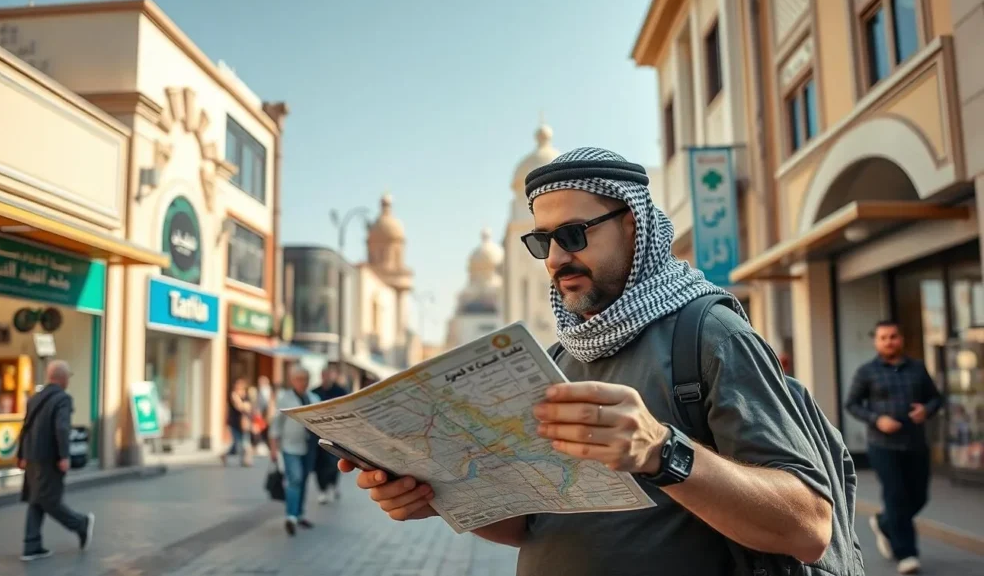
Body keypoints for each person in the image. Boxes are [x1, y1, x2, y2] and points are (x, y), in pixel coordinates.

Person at [340, 147, 834, 576]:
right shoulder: (558, 358)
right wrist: (436, 493)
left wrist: (662, 453)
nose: (555, 259)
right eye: (542, 242)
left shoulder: (708, 333)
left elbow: (808, 527)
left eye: (573, 235)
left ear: (633, 226)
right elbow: (535, 524)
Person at [845, 321, 942, 575]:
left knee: (919, 496)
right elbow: (852, 404)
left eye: (893, 336)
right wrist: (877, 419)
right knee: (896, 496)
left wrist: (926, 410)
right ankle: (907, 554)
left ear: (901, 339)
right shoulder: (867, 372)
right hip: (883, 446)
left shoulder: (918, 369)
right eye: (883, 337)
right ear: (876, 342)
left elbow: (936, 398)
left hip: (915, 444)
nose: (889, 341)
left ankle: (884, 522)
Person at [17, 360, 95, 561]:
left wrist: (21, 455)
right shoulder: (63, 399)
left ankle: (31, 545)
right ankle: (80, 524)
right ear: (63, 378)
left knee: (37, 500)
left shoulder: (35, 398)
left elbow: (25, 427)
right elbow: (61, 428)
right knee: (50, 501)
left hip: (32, 457)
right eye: (68, 376)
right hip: (49, 459)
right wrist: (64, 456)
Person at [269, 365, 321, 535]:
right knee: (295, 479)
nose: (302, 382)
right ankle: (291, 516)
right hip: (290, 447)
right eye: (299, 379)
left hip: (309, 447)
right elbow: (276, 425)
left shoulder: (314, 398)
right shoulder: (285, 399)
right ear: (292, 380)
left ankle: (299, 514)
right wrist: (273, 449)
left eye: (305, 379)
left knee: (304, 480)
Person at [312, 365, 348, 504]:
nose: (325, 377)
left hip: (336, 435)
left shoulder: (340, 391)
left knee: (334, 463)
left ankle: (333, 484)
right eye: (323, 374)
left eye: (328, 374)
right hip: (318, 435)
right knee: (320, 464)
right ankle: (322, 489)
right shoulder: (314, 392)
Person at [221, 378, 253, 466]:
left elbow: (249, 407)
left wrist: (244, 406)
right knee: (238, 442)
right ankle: (226, 455)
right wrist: (243, 405)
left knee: (245, 442)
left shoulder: (246, 395)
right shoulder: (233, 395)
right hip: (235, 422)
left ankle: (246, 460)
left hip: (244, 422)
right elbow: (240, 407)